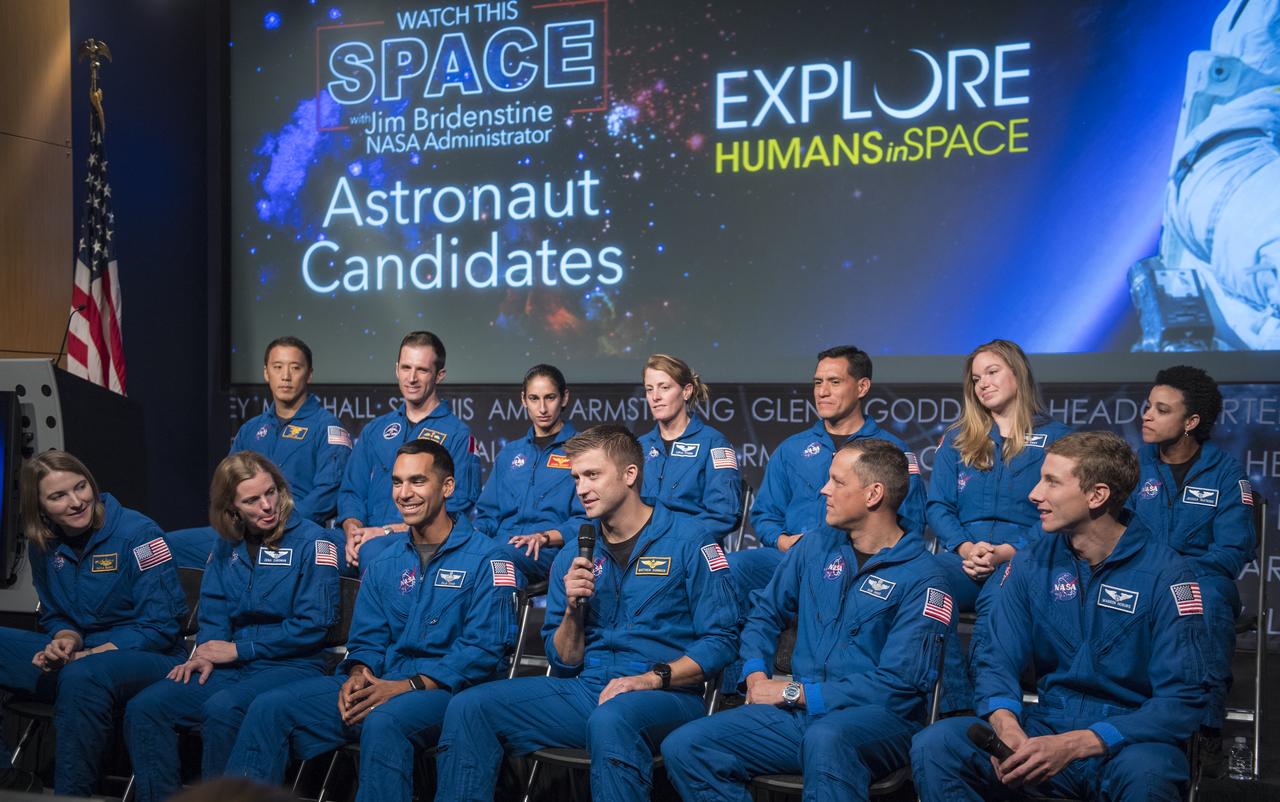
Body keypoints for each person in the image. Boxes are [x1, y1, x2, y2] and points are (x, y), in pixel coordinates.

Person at [433, 425, 739, 802]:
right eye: (576, 477)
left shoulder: (691, 540)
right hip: (590, 690)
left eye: (592, 475)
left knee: (612, 719)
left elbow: (722, 641)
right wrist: (573, 613)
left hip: (667, 695)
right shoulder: (575, 553)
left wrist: (653, 678)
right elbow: (563, 662)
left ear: (630, 475)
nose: (580, 488)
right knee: (469, 707)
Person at [911, 432, 1214, 802]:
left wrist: (1079, 744)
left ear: (1097, 495)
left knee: (1147, 772)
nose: (1034, 494)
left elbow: (1182, 701)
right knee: (937, 743)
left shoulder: (1168, 574)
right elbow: (996, 659)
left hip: (1127, 740)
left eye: (1051, 482)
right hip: (1046, 724)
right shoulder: (1031, 563)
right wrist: (1005, 723)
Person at [225, 440, 517, 802]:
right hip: (382, 681)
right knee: (270, 708)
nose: (404, 494)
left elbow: (483, 652)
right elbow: (367, 640)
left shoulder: (488, 559)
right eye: (397, 482)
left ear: (447, 487)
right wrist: (359, 673)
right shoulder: (385, 559)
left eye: (417, 482)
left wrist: (406, 687)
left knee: (384, 722)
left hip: (448, 693)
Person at [661, 439, 951, 801]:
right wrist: (754, 673)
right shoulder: (815, 547)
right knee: (687, 745)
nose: (823, 489)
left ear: (873, 494)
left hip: (878, 721)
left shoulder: (925, 578)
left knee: (827, 738)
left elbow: (898, 687)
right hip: (801, 715)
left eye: (837, 482)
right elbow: (764, 614)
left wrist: (794, 692)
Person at [123, 453, 341, 802]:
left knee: (224, 708)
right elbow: (215, 610)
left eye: (271, 492)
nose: (267, 506)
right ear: (232, 507)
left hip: (293, 664)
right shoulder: (227, 545)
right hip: (231, 664)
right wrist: (207, 652)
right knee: (147, 707)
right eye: (252, 500)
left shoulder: (314, 542)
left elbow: (312, 626)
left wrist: (240, 649)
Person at [0, 451, 186, 796]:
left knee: (82, 674)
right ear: (40, 506)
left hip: (150, 655)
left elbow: (162, 626)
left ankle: (73, 795)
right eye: (58, 496)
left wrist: (93, 654)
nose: (76, 502)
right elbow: (57, 615)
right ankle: (8, 779)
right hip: (82, 656)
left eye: (80, 487)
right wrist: (66, 639)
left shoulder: (140, 534)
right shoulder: (43, 545)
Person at [927, 340, 1069, 710]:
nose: (983, 384)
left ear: (1017, 374)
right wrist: (963, 547)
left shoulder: (1057, 439)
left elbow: (1061, 511)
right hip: (966, 557)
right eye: (976, 378)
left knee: (1001, 599)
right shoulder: (958, 439)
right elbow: (938, 506)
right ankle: (956, 703)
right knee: (922, 580)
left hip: (1024, 560)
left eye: (992, 372)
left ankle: (990, 706)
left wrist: (1008, 551)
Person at [733, 345, 927, 597]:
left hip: (861, 564)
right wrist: (783, 542)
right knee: (731, 569)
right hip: (793, 559)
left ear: (862, 387)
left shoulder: (891, 451)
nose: (822, 392)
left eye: (834, 382)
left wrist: (870, 556)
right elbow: (765, 515)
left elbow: (912, 522)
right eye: (818, 382)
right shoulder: (792, 449)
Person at [1127, 365, 1255, 736]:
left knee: (1206, 601)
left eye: (1162, 410)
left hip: (1202, 580)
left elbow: (1233, 550)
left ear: (1191, 421)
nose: (1147, 415)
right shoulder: (1133, 466)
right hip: (1139, 576)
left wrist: (1176, 576)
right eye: (1148, 405)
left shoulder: (1227, 474)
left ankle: (1204, 733)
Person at [338, 331, 481, 567]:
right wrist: (353, 531)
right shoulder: (376, 429)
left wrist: (384, 532)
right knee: (319, 546)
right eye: (406, 368)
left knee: (373, 552)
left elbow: (458, 504)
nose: (412, 378)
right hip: (367, 534)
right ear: (396, 369)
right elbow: (351, 491)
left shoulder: (457, 434)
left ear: (439, 375)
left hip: (419, 539)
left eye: (422, 370)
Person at [474, 364, 583, 582]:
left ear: (564, 398)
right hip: (503, 545)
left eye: (550, 397)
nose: (542, 408)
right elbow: (489, 515)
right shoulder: (510, 453)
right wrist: (468, 536)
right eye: (534, 398)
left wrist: (545, 537)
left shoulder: (582, 450)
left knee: (494, 559)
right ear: (523, 400)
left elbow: (586, 520)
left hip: (548, 550)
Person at [230, 336, 352, 524]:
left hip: (299, 532)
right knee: (174, 545)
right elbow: (229, 482)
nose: (285, 376)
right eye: (277, 367)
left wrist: (281, 522)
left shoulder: (327, 427)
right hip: (249, 530)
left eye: (295, 368)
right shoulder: (249, 430)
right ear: (266, 373)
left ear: (309, 374)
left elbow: (329, 491)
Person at [635, 354, 743, 544]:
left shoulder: (714, 443)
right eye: (649, 389)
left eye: (665, 387)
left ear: (686, 391)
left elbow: (723, 514)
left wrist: (672, 539)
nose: (655, 397)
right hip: (643, 551)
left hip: (693, 550)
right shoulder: (639, 446)